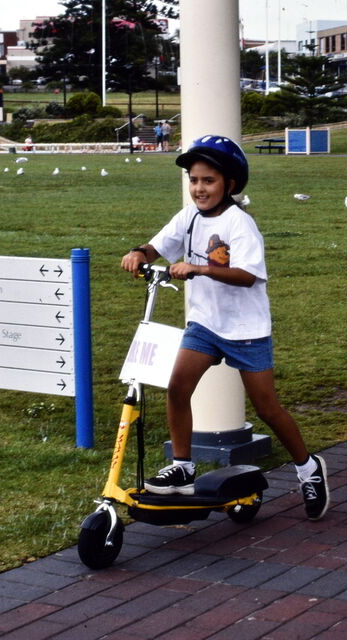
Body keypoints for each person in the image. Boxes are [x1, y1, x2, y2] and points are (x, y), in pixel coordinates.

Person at [121, 134, 330, 520]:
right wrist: (138, 252)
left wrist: (199, 268)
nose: (199, 188)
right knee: (177, 387)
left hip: (246, 330)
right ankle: (183, 466)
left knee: (267, 408)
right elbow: (157, 246)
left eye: (208, 181)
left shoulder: (240, 223)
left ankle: (307, 467)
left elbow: (247, 275)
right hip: (205, 323)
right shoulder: (188, 218)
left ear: (229, 184)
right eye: (194, 180)